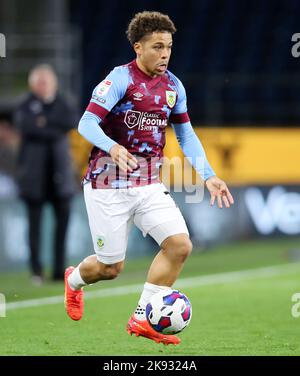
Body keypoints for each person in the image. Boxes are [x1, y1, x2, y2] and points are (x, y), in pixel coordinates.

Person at [64, 11, 234, 345]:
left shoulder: (173, 86)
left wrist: (209, 176)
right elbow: (85, 123)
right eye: (157, 47)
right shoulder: (119, 80)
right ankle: (74, 281)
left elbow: (186, 135)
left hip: (148, 185)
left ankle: (141, 318)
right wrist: (112, 148)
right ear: (138, 47)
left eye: (169, 46)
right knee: (111, 268)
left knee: (180, 245)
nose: (165, 54)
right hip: (106, 185)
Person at [14, 64, 77, 284]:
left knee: (62, 227)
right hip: (34, 177)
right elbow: (27, 126)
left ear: (54, 83)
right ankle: (36, 270)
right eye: (40, 82)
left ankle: (60, 270)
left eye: (47, 81)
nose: (44, 86)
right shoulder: (24, 104)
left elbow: (70, 122)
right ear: (33, 85)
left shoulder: (63, 102)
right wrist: (53, 126)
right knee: (34, 228)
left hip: (60, 176)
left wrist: (44, 123)